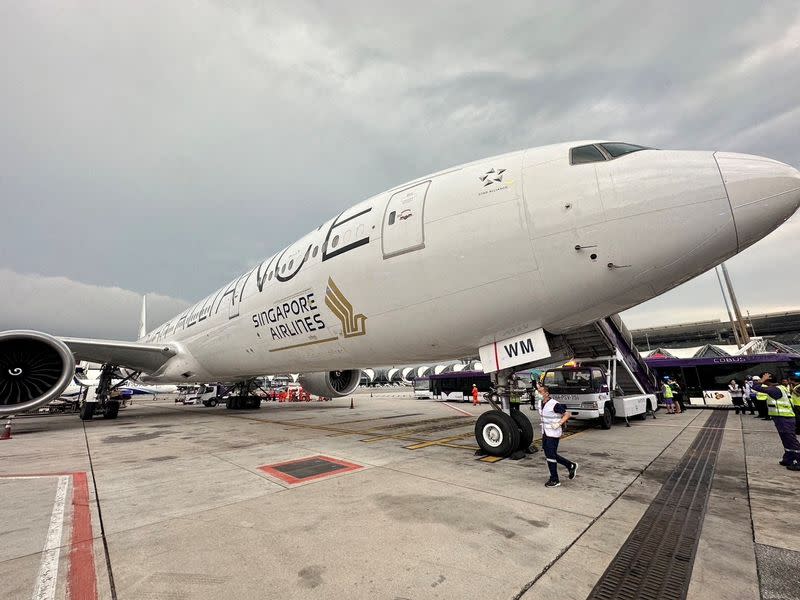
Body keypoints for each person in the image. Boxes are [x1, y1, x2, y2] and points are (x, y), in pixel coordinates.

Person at [752, 373, 800, 471]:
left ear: (767, 379)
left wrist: (761, 380)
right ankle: (788, 458)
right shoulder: (780, 387)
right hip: (782, 418)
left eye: (763, 377)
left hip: (785, 418)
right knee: (786, 440)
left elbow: (756, 387)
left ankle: (798, 461)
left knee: (791, 440)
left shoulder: (775, 389)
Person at [537, 383, 577, 488]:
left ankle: (555, 479)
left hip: (553, 433)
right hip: (545, 432)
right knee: (550, 454)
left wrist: (559, 423)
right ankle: (570, 465)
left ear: (547, 393)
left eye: (540, 392)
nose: (538, 393)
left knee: (550, 456)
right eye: (538, 391)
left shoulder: (554, 404)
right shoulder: (540, 403)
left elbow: (567, 414)